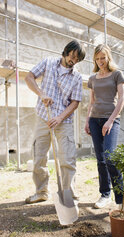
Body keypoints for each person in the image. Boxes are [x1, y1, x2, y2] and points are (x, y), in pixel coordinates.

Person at [25, 40, 86, 205]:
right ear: (66, 51)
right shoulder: (48, 62)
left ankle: (68, 195)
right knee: (38, 157)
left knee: (67, 159)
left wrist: (59, 118)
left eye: (77, 58)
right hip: (43, 117)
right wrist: (41, 93)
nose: (73, 60)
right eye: (72, 55)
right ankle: (41, 192)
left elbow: (75, 102)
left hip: (63, 121)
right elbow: (29, 77)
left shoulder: (77, 77)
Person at [85, 44, 124, 216]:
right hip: (94, 120)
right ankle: (104, 194)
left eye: (103, 58)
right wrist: (87, 121)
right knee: (100, 159)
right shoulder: (92, 78)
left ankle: (122, 201)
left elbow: (122, 98)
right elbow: (91, 102)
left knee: (110, 157)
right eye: (97, 59)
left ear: (108, 57)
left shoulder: (117, 74)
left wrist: (110, 120)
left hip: (111, 119)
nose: (100, 62)